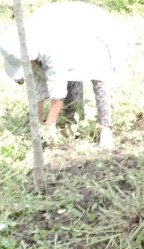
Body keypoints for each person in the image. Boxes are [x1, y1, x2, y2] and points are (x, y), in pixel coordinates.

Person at [0, 2, 123, 148]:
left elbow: (57, 90)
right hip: (65, 36)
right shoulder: (24, 45)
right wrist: (36, 125)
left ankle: (105, 128)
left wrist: (49, 126)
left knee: (98, 78)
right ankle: (72, 122)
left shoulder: (49, 49)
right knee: (72, 80)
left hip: (93, 33)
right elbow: (37, 91)